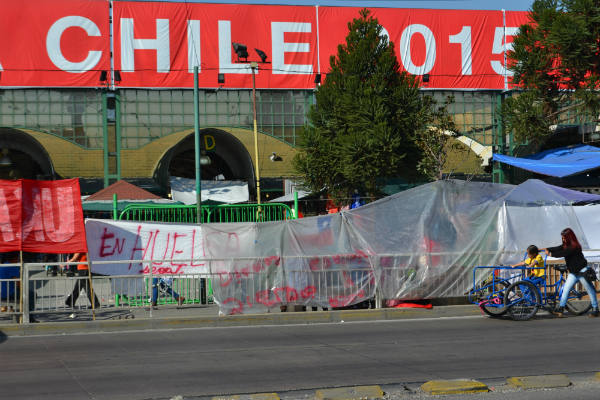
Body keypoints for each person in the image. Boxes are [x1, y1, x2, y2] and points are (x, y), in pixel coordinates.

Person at [541, 228, 598, 318]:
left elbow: (562, 253)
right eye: (562, 238)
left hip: (582, 271)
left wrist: (550, 254)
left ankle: (595, 309)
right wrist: (545, 249)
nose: (563, 240)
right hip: (573, 273)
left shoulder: (574, 247)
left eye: (564, 238)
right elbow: (557, 248)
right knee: (566, 290)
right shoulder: (566, 245)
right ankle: (561, 309)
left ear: (569, 237)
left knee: (590, 290)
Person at [0, 252, 38, 322]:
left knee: (26, 294)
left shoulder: (3, 265)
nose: (19, 259)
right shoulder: (12, 266)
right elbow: (17, 282)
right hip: (9, 293)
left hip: (2, 293)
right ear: (14, 258)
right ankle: (30, 317)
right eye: (18, 258)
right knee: (32, 294)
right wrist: (26, 289)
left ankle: (20, 313)